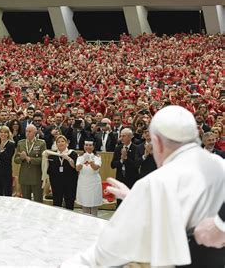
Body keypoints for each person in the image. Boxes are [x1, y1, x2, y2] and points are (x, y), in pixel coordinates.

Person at [67, 106, 224, 267]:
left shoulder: (155, 183)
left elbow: (107, 253)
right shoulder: (220, 164)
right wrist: (136, 198)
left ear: (157, 142)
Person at [42, 135, 78, 209]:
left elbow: (75, 167)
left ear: (66, 143)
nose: (60, 143)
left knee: (69, 202)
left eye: (62, 141)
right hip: (56, 183)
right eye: (58, 142)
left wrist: (68, 158)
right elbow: (49, 170)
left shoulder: (72, 153)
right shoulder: (52, 155)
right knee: (57, 203)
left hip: (70, 183)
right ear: (56, 144)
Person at [14, 124, 46, 202]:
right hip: (24, 175)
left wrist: (29, 159)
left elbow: (43, 159)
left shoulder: (41, 143)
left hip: (36, 176)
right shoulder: (21, 143)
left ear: (35, 132)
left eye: (29, 131)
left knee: (38, 201)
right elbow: (16, 159)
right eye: (26, 131)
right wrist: (21, 158)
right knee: (25, 201)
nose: (27, 133)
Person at [110, 127, 138, 206]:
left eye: (123, 136)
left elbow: (136, 165)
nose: (121, 138)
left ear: (130, 137)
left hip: (132, 179)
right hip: (120, 179)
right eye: (121, 136)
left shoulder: (136, 148)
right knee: (120, 203)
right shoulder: (118, 148)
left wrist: (126, 158)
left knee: (131, 203)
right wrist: (121, 160)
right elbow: (112, 165)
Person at [75, 139, 102, 216]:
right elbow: (77, 169)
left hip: (94, 182)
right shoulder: (80, 156)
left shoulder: (97, 157)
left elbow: (96, 168)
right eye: (86, 145)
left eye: (90, 145)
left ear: (93, 147)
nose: (88, 147)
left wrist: (90, 161)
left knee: (94, 205)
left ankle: (94, 222)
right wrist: (83, 160)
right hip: (83, 182)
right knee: (84, 204)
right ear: (84, 146)